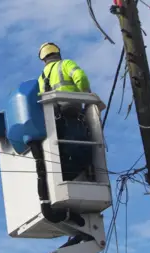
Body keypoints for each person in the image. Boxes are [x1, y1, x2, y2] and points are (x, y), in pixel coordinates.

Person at [37, 42, 94, 181]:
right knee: (81, 143)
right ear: (58, 54)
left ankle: (68, 174)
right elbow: (81, 77)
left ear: (44, 59)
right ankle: (87, 170)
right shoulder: (66, 64)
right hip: (71, 110)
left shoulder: (41, 77)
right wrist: (85, 95)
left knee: (62, 148)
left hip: (54, 118)